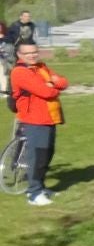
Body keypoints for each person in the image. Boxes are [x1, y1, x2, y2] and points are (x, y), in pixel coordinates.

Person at [7, 41, 66, 206]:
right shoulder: (19, 72)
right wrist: (52, 85)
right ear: (19, 55)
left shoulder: (41, 67)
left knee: (47, 155)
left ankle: (40, 187)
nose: (32, 55)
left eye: (35, 52)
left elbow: (64, 82)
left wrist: (52, 83)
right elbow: (46, 92)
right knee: (37, 157)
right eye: (27, 53)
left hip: (50, 118)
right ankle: (33, 193)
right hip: (34, 120)